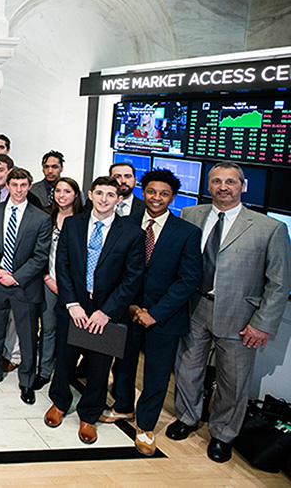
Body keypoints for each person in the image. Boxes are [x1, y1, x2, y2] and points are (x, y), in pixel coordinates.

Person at [167, 163, 290, 463]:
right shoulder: (190, 215)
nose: (224, 186)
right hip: (194, 307)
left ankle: (223, 435)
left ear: (242, 186)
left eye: (231, 182)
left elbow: (279, 281)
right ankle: (187, 418)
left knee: (233, 381)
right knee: (187, 369)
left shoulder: (269, 227)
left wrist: (262, 324)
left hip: (240, 316)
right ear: (208, 185)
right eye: (217, 181)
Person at [103, 169, 202, 457]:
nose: (156, 198)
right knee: (122, 363)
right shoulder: (125, 224)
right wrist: (131, 305)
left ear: (173, 197)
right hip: (127, 309)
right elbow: (116, 269)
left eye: (164, 193)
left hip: (164, 317)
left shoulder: (186, 232)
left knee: (157, 374)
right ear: (142, 192)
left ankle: (146, 425)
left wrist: (155, 313)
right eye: (151, 191)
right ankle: (123, 406)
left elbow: (188, 279)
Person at [44, 176, 144, 445]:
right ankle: (60, 403)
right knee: (64, 359)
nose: (103, 199)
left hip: (106, 310)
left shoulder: (132, 233)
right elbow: (61, 266)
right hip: (74, 305)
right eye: (99, 193)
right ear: (89, 194)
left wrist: (107, 312)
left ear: (119, 199)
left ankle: (89, 415)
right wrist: (72, 303)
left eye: (110, 195)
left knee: (100, 367)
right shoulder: (73, 225)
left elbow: (132, 278)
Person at [0, 168, 52, 406]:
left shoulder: (41, 217)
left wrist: (16, 277)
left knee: (28, 336)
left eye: (23, 185)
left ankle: (27, 381)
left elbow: (41, 256)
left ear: (29, 186)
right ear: (7, 186)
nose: (19, 190)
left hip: (24, 286)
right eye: (15, 185)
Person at [35, 177, 84, 390]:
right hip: (49, 282)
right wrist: (47, 277)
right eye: (58, 191)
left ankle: (66, 371)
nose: (61, 195)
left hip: (74, 287)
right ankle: (44, 370)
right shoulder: (45, 215)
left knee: (71, 332)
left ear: (76, 195)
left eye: (67, 191)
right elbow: (37, 251)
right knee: (48, 328)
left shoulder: (84, 220)